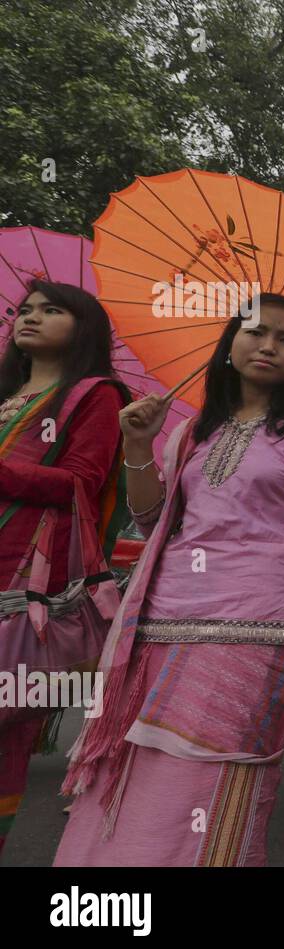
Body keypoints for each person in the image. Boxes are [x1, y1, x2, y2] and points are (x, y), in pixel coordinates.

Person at [56, 293, 284, 867]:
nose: (269, 346)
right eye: (256, 333)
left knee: (218, 766)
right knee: (141, 765)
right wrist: (138, 443)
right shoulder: (189, 432)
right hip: (162, 617)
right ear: (229, 347)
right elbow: (152, 519)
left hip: (253, 624)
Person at [0, 281, 128, 858]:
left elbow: (81, 482)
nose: (31, 317)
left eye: (52, 310)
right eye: (24, 309)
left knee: (6, 734)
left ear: (83, 329)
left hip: (24, 587)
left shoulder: (96, 395)